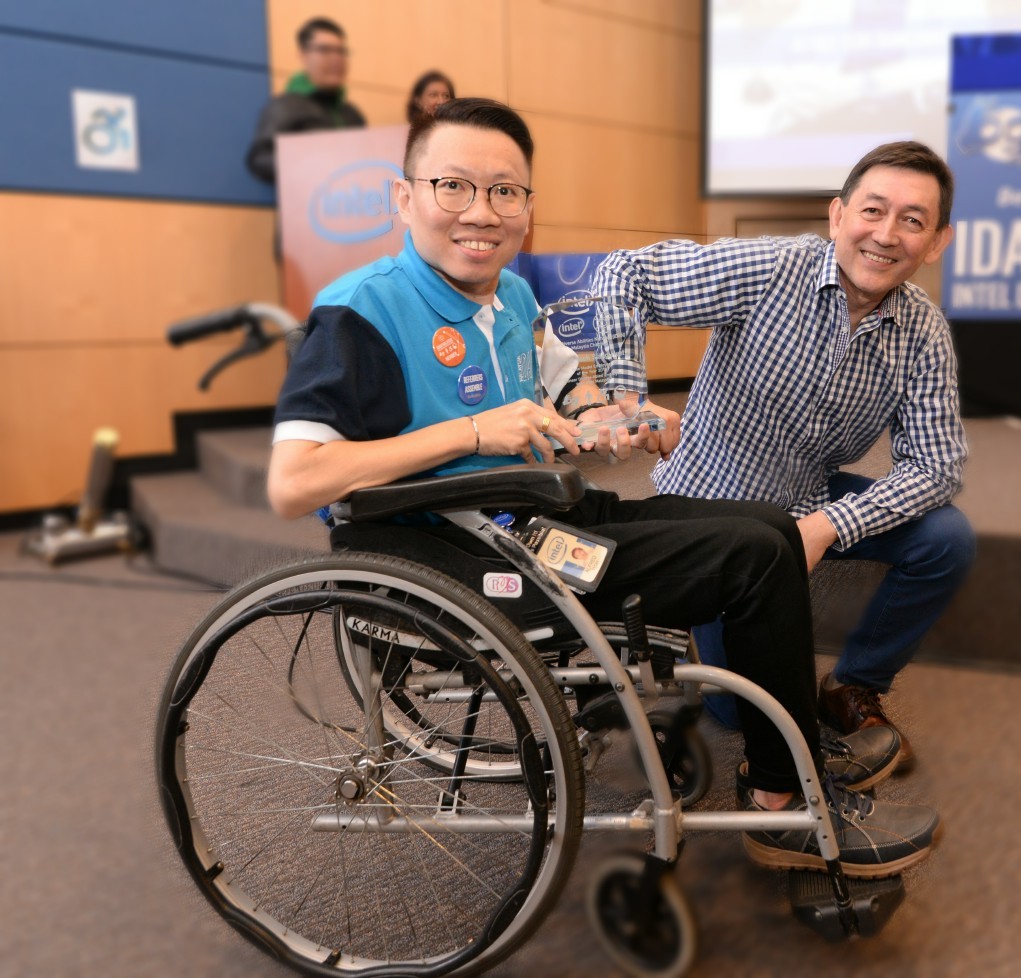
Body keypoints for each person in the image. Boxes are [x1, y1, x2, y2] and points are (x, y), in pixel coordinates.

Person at [266, 98, 939, 877]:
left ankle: (780, 764)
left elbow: (566, 393)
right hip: (451, 550)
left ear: (526, 207)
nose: (480, 212)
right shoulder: (361, 310)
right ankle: (784, 802)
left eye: (504, 192)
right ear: (404, 196)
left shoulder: (511, 296)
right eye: (453, 186)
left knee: (770, 528)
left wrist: (613, 414)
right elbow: (294, 482)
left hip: (541, 518)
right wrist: (473, 434)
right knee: (754, 559)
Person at [592, 140, 976, 770]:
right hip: (711, 508)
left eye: (912, 220)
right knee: (738, 713)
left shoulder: (923, 330)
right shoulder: (773, 269)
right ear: (837, 217)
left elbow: (936, 465)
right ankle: (693, 620)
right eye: (872, 211)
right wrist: (630, 398)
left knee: (945, 539)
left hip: (806, 502)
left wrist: (828, 526)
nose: (886, 234)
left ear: (936, 242)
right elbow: (622, 274)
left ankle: (855, 683)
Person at [245, 17, 367, 185]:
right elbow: (259, 159)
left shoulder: (352, 114)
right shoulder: (285, 106)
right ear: (303, 55)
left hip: (353, 203)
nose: (336, 58)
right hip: (306, 205)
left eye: (341, 51)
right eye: (325, 50)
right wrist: (307, 164)